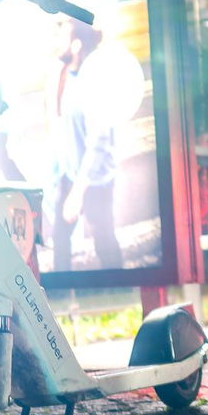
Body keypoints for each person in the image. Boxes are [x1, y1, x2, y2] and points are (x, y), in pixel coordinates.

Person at [49, 16, 142, 271]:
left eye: (62, 37)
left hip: (94, 181)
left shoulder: (96, 83)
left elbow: (98, 146)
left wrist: (77, 193)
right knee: (60, 239)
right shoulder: (66, 76)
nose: (56, 42)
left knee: (104, 242)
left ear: (76, 44)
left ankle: (120, 287)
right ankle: (59, 293)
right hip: (70, 175)